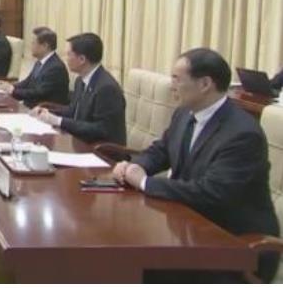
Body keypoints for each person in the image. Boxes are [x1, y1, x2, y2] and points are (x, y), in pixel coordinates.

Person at [113, 48, 279, 283]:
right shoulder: (184, 114)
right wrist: (132, 167)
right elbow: (162, 150)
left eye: (176, 79)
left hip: (235, 245)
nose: (171, 86)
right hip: (190, 226)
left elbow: (210, 192)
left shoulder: (242, 134)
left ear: (204, 84)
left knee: (134, 266)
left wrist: (144, 182)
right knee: (123, 248)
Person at [32, 33, 126, 144]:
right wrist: (49, 113)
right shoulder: (81, 80)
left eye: (69, 55)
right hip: (80, 141)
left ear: (82, 59)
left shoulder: (106, 88)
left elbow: (101, 130)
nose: (66, 59)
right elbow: (74, 111)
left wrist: (59, 121)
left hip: (100, 149)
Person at [0, 27, 70, 108]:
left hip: (44, 110)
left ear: (45, 46)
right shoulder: (40, 61)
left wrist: (12, 91)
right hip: (32, 106)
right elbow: (27, 82)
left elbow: (39, 93)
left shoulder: (55, 68)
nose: (30, 46)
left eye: (33, 43)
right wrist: (10, 86)